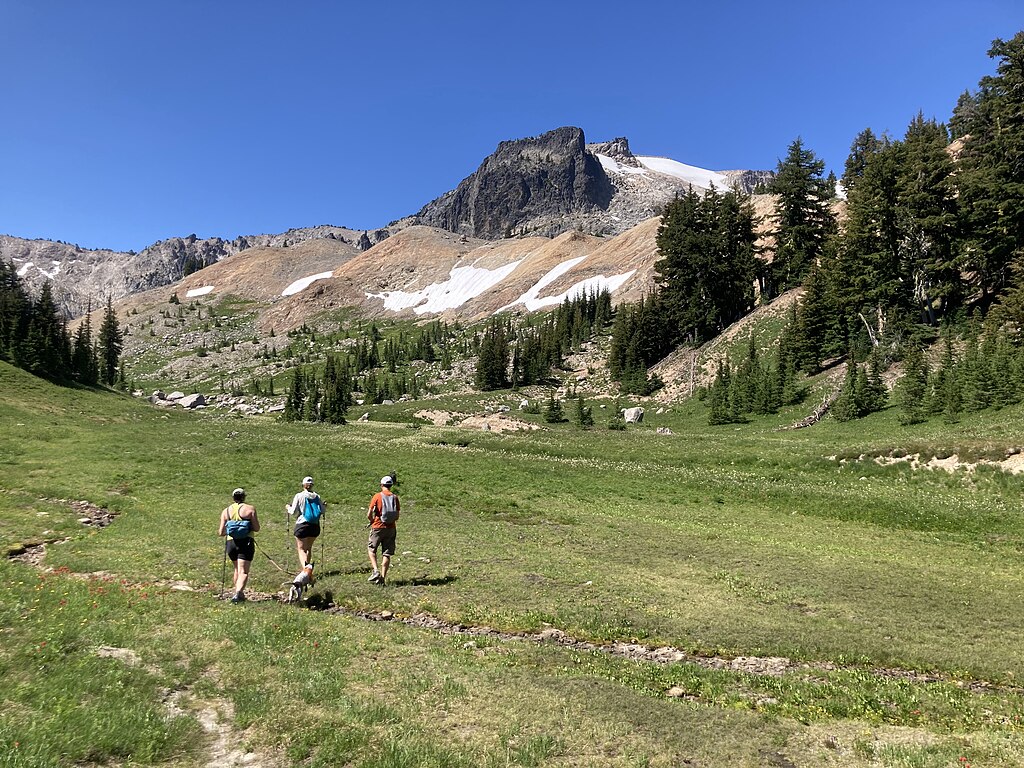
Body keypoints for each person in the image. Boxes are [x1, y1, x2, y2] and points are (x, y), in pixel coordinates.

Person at [218, 487, 260, 603]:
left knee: (237, 569)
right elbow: (257, 528)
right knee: (243, 571)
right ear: (244, 497)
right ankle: (238, 594)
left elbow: (221, 532)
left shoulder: (226, 511)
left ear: (233, 497)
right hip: (246, 542)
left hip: (231, 543)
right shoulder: (250, 509)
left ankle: (236, 592)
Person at [286, 476, 324, 572]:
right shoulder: (317, 496)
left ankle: (306, 570)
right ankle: (307, 570)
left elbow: (293, 511)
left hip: (302, 525)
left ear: (303, 485)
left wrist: (287, 508)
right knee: (308, 548)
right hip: (315, 526)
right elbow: (322, 510)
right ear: (312, 486)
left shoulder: (299, 496)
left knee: (301, 549)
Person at [367, 474, 400, 585]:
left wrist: (372, 521)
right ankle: (383, 578)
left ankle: (375, 571)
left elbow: (369, 514)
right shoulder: (395, 497)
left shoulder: (377, 496)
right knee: (387, 553)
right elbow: (397, 516)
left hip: (377, 526)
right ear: (391, 485)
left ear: (381, 485)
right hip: (391, 528)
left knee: (372, 549)